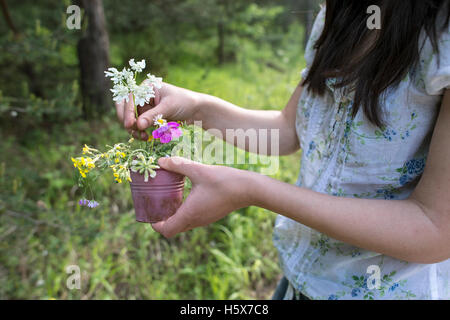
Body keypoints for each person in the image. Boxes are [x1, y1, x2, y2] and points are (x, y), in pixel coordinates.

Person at [116, 0, 450, 300]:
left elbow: (435, 228)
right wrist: (197, 107)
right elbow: (291, 128)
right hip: (297, 282)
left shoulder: (442, 38)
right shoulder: (340, 13)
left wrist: (252, 189)